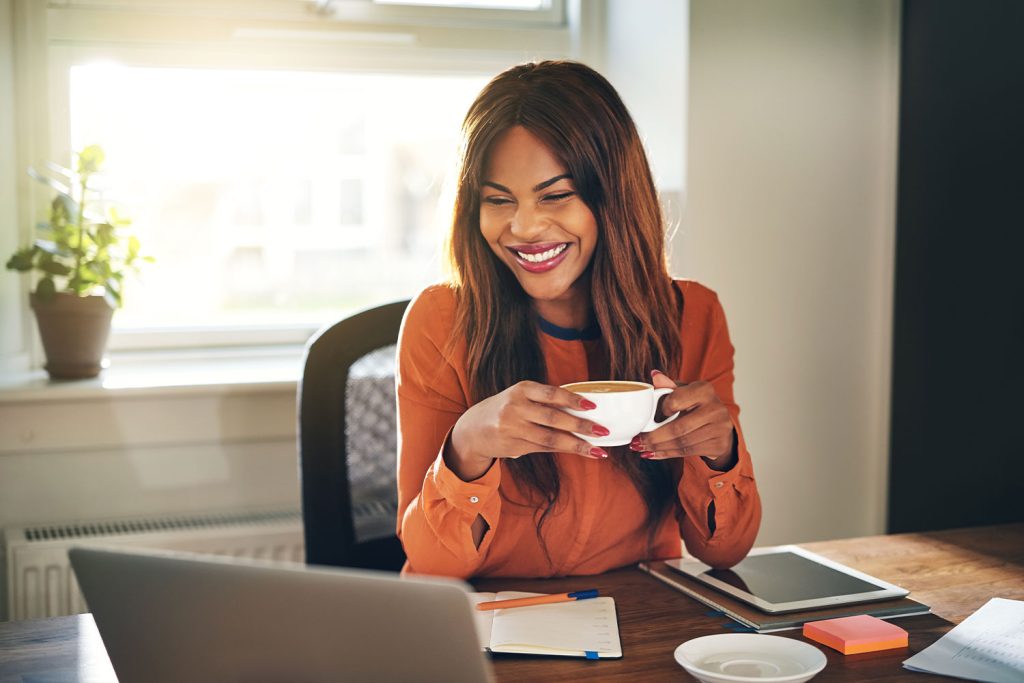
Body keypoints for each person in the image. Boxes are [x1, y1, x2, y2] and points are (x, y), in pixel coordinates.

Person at [396, 60, 761, 579]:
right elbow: (432, 566)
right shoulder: (440, 321)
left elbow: (724, 552)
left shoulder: (692, 315)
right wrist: (468, 445)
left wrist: (720, 453)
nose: (523, 227)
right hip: (487, 632)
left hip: (634, 624)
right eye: (498, 200)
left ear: (612, 196)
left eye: (556, 196)